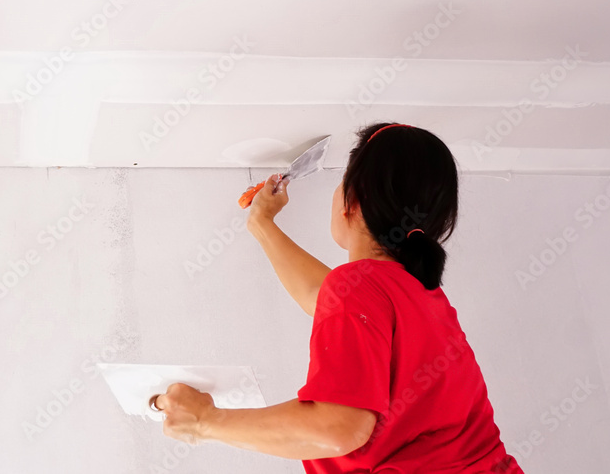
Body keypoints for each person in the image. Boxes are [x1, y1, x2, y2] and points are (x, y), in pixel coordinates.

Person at [151, 122, 524, 473]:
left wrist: (206, 421)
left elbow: (338, 428)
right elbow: (324, 296)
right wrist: (262, 225)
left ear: (352, 201)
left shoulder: (366, 288)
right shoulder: (422, 295)